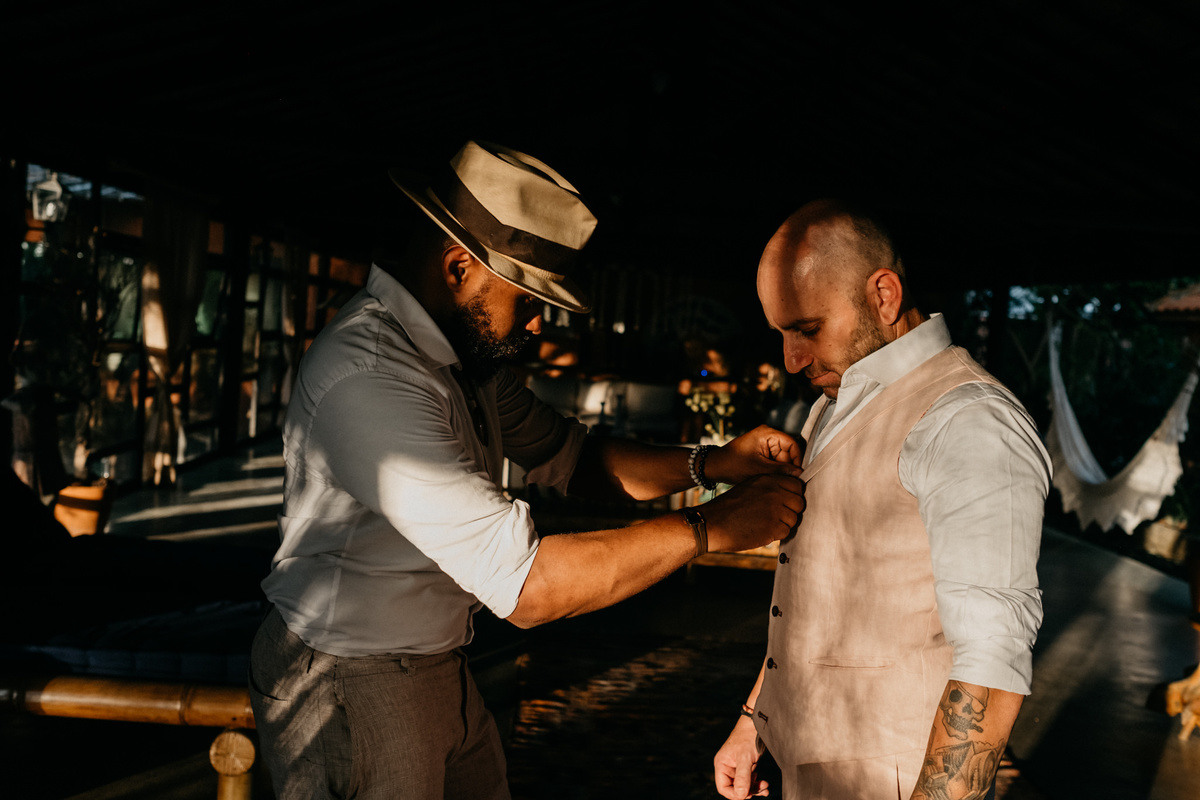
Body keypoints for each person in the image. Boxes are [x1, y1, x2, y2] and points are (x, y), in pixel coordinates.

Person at [248, 140, 807, 800]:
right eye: (530, 299)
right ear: (459, 269)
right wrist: (712, 527)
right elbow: (529, 587)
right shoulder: (373, 378)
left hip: (432, 664)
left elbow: (570, 459)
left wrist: (716, 463)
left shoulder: (460, 358)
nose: (539, 325)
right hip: (349, 676)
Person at [713, 199, 1051, 800]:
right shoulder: (834, 402)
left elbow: (992, 657)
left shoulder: (968, 421)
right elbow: (816, 601)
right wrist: (754, 721)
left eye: (807, 330)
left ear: (885, 296)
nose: (791, 359)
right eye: (782, 333)